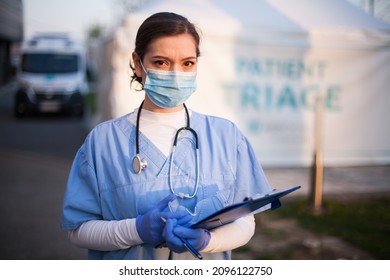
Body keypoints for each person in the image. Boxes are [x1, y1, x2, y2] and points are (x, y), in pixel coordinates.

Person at [61, 12, 271, 260]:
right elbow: (79, 231)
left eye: (187, 63)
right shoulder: (103, 142)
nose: (175, 74)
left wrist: (207, 241)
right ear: (138, 64)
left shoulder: (226, 137)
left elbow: (246, 221)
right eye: (161, 62)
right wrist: (136, 230)